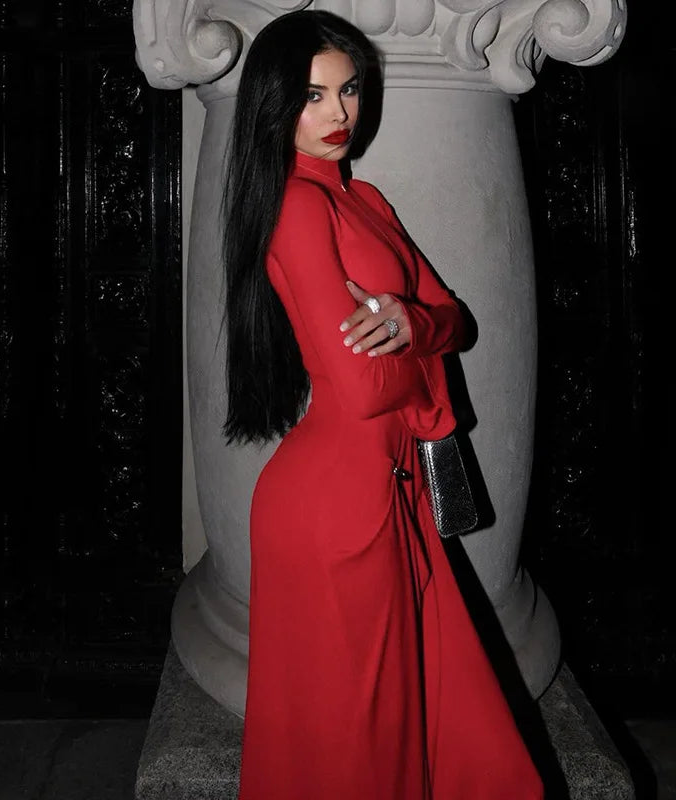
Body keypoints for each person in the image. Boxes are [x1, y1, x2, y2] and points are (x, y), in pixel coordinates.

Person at [221, 9, 544, 799]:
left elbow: (456, 320)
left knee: (405, 723)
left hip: (382, 495)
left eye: (350, 90)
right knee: (358, 743)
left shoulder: (368, 203)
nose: (340, 114)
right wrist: (420, 350)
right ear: (274, 104)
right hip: (336, 508)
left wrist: (409, 323)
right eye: (312, 96)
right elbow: (364, 387)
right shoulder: (298, 207)